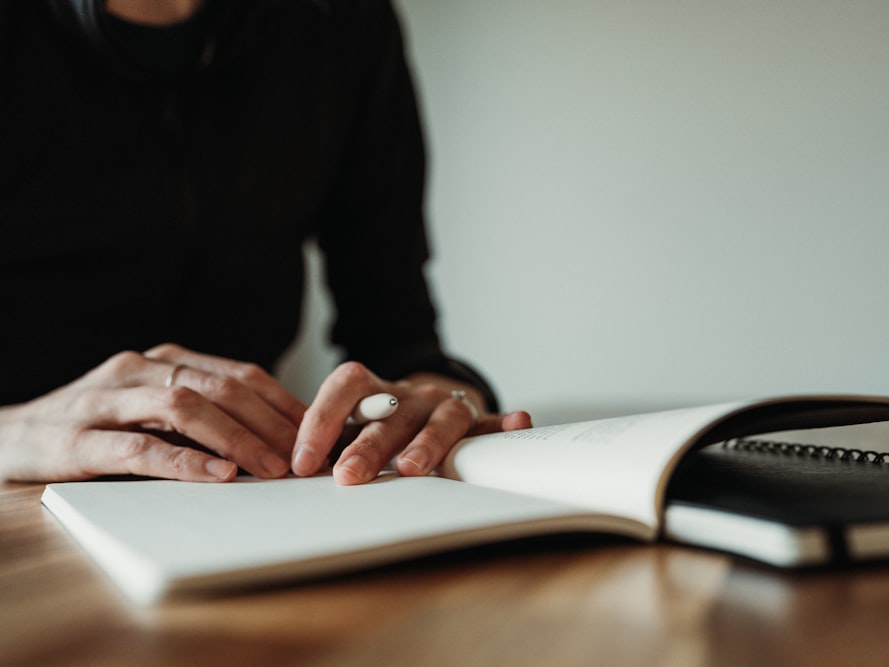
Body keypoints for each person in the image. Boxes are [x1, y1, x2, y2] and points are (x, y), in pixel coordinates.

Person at [0, 0, 531, 484]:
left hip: (249, 487)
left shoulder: (341, 24)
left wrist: (435, 397)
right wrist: (14, 434)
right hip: (22, 499)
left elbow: (396, 334)